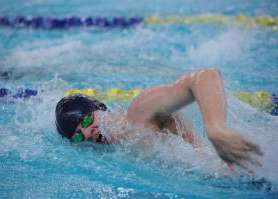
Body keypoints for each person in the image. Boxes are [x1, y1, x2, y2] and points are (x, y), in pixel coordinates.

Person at [55, 68, 263, 172]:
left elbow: (205, 76)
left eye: (85, 122)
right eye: (78, 137)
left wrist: (216, 129)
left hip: (242, 168)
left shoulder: (139, 113)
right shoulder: (120, 155)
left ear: (100, 108)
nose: (88, 133)